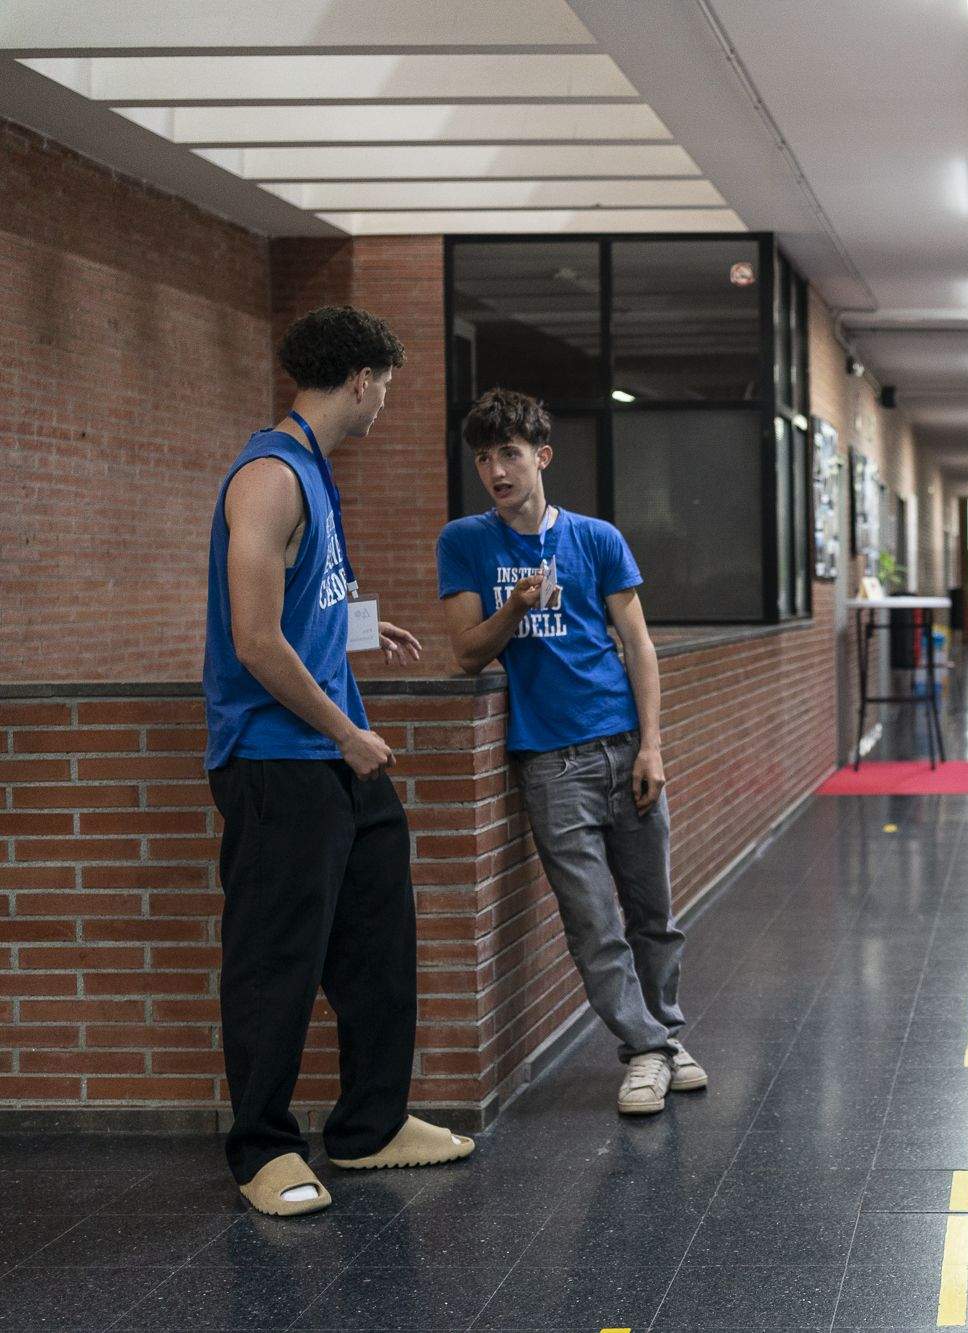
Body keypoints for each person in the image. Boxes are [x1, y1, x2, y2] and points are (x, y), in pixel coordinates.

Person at [204, 305, 472, 1220]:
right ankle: (262, 1147)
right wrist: (349, 734)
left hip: (331, 754)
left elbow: (299, 605)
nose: (384, 400)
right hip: (278, 757)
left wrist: (358, 625)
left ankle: (369, 1125)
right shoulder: (270, 477)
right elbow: (254, 639)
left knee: (376, 939)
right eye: (384, 385)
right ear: (361, 381)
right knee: (275, 958)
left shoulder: (318, 473)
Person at [437, 388, 706, 1117]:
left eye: (510, 454)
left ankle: (660, 1037)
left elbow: (639, 646)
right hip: (550, 764)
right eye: (484, 458)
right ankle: (649, 1048)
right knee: (593, 922)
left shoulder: (595, 539)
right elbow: (466, 653)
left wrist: (653, 745)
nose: (497, 470)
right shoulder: (464, 543)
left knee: (654, 914)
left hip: (624, 748)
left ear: (542, 456)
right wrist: (515, 606)